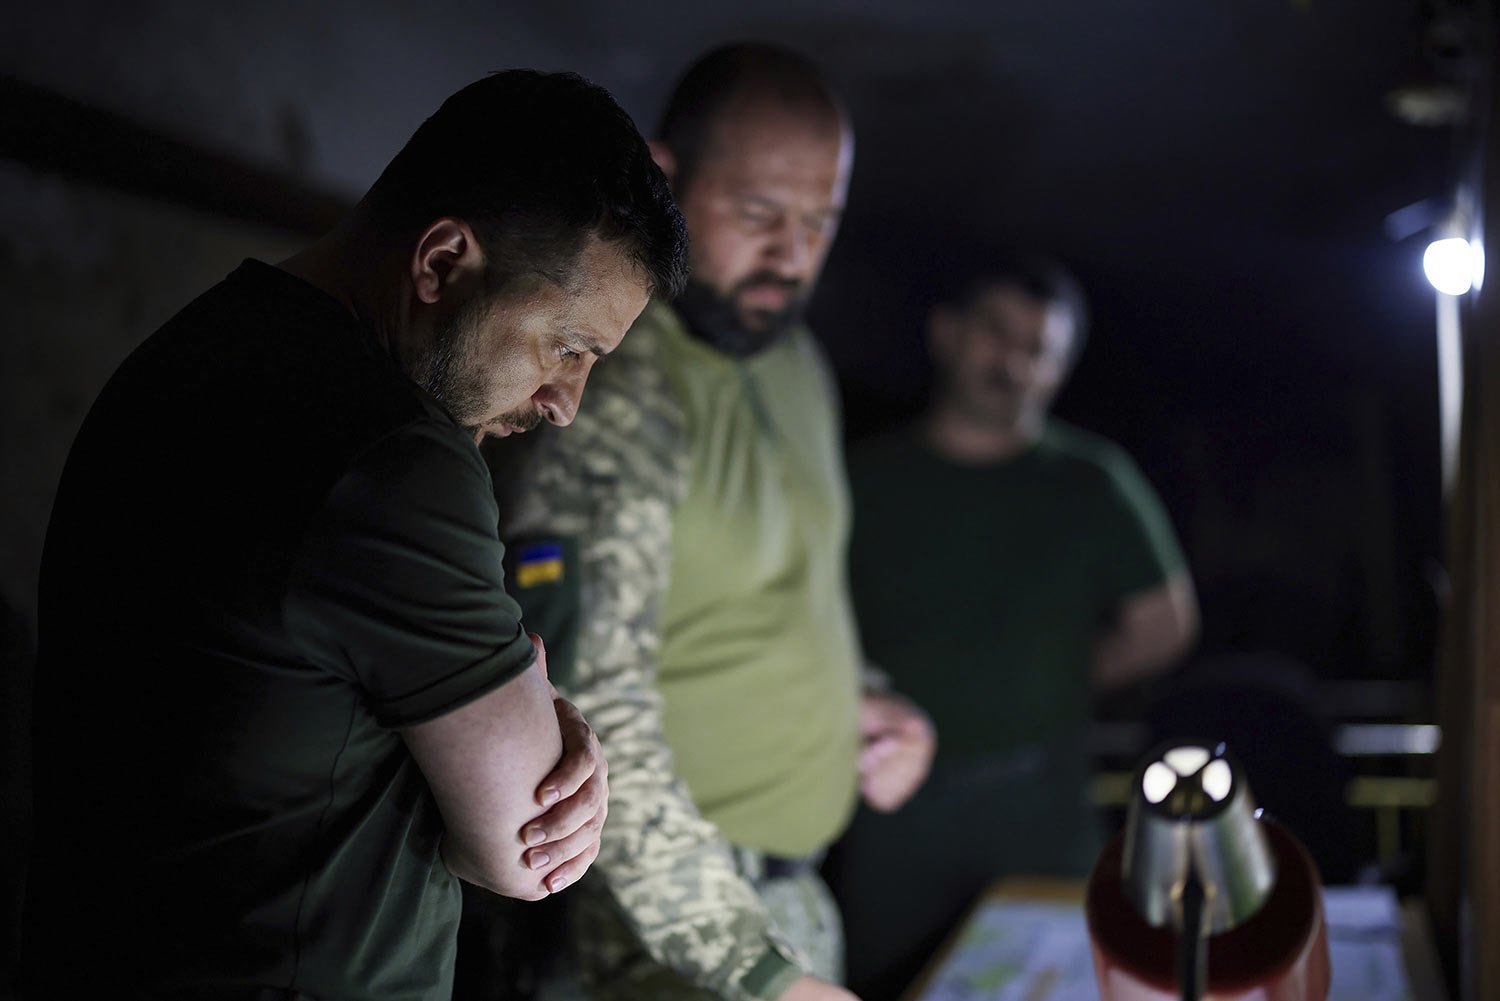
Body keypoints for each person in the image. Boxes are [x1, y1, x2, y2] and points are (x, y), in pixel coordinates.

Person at [22, 69, 688, 1001]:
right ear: (444, 261)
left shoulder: (190, 351)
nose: (566, 402)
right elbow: (526, 853)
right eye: (568, 346)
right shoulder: (393, 457)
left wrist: (522, 711)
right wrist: (556, 726)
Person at [478, 44, 935, 1001]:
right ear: (665, 178)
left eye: (821, 221)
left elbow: (781, 591)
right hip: (670, 933)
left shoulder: (797, 361)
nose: (793, 256)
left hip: (795, 900)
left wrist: (864, 697)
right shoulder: (618, 384)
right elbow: (583, 701)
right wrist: (757, 971)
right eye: (761, 214)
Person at [824, 258, 1200, 1000]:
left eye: (1043, 347)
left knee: (1067, 984)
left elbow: (1166, 623)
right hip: (891, 810)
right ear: (946, 333)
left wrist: (1051, 675)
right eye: (998, 333)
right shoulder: (858, 478)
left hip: (1044, 802)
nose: (1018, 361)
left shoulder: (1090, 479)